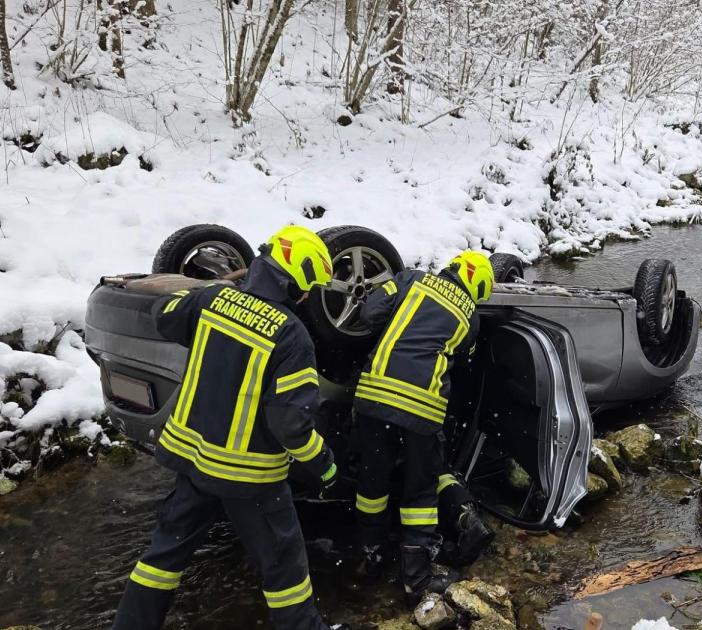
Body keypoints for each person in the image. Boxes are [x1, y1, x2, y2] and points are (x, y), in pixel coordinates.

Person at [112, 225, 343, 630]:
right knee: (284, 568)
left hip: (192, 462)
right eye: (309, 287)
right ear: (295, 280)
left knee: (163, 558)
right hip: (249, 477)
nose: (309, 296)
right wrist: (323, 464)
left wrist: (210, 287)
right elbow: (290, 424)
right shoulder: (291, 336)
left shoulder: (213, 298)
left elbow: (162, 317)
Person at [351, 250, 495, 604]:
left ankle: (370, 557)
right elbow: (461, 363)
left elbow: (370, 312)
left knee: (372, 482)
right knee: (420, 492)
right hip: (421, 406)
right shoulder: (470, 317)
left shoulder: (411, 279)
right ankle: (415, 581)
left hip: (373, 396)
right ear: (478, 287)